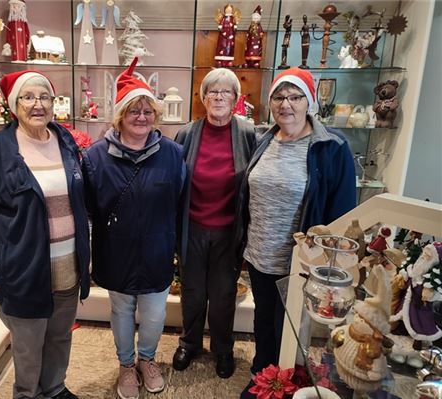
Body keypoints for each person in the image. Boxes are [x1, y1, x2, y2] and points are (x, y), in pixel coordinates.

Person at [0, 70, 90, 399]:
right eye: (28, 97)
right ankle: (26, 394)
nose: (38, 105)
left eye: (45, 97)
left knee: (60, 336)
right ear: (13, 104)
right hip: (23, 269)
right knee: (28, 347)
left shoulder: (65, 141)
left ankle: (55, 388)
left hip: (67, 265)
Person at [237, 68, 355, 398]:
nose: (286, 104)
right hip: (260, 253)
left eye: (295, 96)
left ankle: (285, 382)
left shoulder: (331, 147)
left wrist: (330, 262)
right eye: (279, 96)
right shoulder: (264, 139)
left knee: (289, 328)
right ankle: (263, 375)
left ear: (309, 102)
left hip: (300, 261)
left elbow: (343, 210)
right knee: (264, 321)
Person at [81, 57, 185, 399]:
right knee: (122, 309)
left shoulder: (173, 154)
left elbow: (180, 200)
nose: (141, 117)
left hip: (157, 249)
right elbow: (89, 208)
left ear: (155, 115)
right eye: (133, 111)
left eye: (147, 111)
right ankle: (127, 365)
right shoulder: (96, 157)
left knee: (155, 312)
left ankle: (148, 360)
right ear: (120, 116)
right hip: (117, 251)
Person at [171, 68, 256, 379]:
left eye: (226, 92)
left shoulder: (247, 134)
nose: (219, 97)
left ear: (236, 99)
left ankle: (223, 349)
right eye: (213, 92)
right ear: (203, 98)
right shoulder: (187, 134)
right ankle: (189, 343)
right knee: (192, 291)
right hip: (191, 227)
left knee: (222, 295)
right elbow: (176, 182)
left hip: (228, 231)